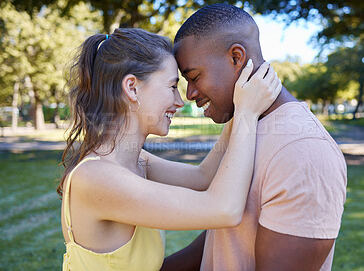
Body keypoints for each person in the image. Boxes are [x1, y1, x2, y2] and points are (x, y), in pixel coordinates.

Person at [58, 28, 282, 270]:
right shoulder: (97, 178)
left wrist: (237, 102)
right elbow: (224, 210)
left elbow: (203, 177)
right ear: (132, 88)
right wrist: (247, 114)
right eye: (172, 86)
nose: (180, 101)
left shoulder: (136, 161)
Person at [157, 3, 347, 271]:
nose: (189, 94)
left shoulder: (303, 151)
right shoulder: (245, 123)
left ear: (236, 58)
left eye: (195, 77)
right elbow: (228, 238)